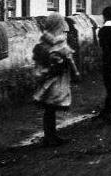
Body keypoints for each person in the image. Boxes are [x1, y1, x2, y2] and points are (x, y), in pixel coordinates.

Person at [32, 12, 80, 146]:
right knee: (50, 108)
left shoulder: (44, 40)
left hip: (49, 77)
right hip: (54, 78)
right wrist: (73, 70)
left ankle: (51, 135)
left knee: (50, 108)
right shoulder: (57, 40)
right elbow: (67, 57)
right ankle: (50, 137)